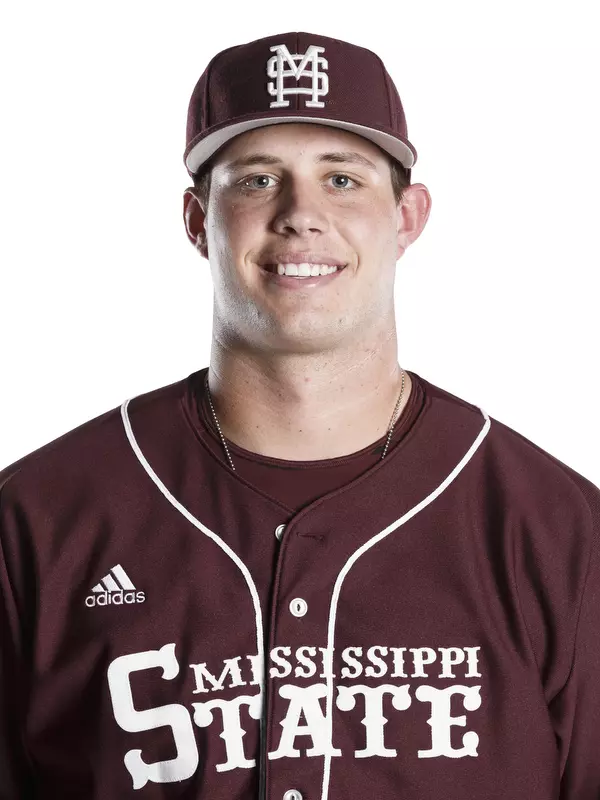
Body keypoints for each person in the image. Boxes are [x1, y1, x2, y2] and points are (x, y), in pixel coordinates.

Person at [0, 30, 598, 800]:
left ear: (409, 216)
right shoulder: (37, 520)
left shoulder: (554, 530)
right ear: (196, 220)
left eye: (343, 179)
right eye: (256, 180)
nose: (301, 215)